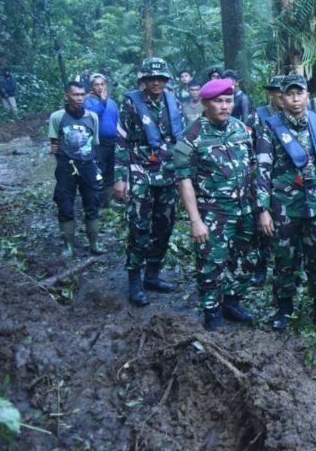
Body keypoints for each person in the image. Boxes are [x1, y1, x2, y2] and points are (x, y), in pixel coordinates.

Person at [175, 78, 257, 331]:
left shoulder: (241, 129)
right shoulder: (191, 137)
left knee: (246, 259)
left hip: (244, 209)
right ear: (205, 103)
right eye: (218, 101)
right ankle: (212, 312)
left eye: (228, 101)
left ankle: (232, 302)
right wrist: (196, 220)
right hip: (214, 213)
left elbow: (252, 167)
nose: (224, 106)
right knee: (211, 264)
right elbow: (184, 179)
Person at [256, 74, 316, 330]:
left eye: (299, 93)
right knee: (284, 260)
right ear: (281, 97)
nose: (295, 99)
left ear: (307, 96)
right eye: (290, 94)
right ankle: (283, 309)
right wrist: (263, 209)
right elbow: (262, 168)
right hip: (284, 206)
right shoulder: (270, 126)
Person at [115, 57, 184, 307]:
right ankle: (135, 279)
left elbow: (183, 139)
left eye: (161, 78)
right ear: (143, 80)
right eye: (151, 78)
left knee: (165, 224)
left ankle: (153, 274)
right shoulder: (132, 103)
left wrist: (185, 174)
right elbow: (121, 140)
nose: (156, 82)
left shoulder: (173, 101)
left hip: (168, 170)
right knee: (138, 226)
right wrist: (120, 178)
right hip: (139, 170)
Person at [48, 82, 105, 258]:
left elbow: (95, 143)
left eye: (82, 95)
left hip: (87, 166)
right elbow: (54, 143)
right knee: (65, 204)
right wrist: (61, 157)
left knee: (93, 203)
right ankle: (68, 246)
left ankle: (94, 243)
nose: (79, 98)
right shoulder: (57, 117)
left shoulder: (93, 117)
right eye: (75, 95)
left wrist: (96, 167)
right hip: (66, 167)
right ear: (67, 96)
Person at [247, 74, 285, 287]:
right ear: (271, 94)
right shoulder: (258, 116)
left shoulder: (293, 116)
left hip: (285, 181)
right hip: (261, 177)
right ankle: (259, 268)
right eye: (278, 93)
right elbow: (247, 145)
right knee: (260, 227)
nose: (282, 97)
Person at [84, 74, 119, 201]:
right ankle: (96, 201)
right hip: (97, 142)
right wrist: (102, 101)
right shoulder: (87, 102)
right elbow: (92, 116)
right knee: (98, 171)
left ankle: (109, 200)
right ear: (91, 87)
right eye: (96, 85)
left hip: (113, 141)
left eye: (102, 84)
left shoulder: (112, 103)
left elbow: (117, 121)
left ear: (106, 85)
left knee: (111, 170)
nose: (99, 87)